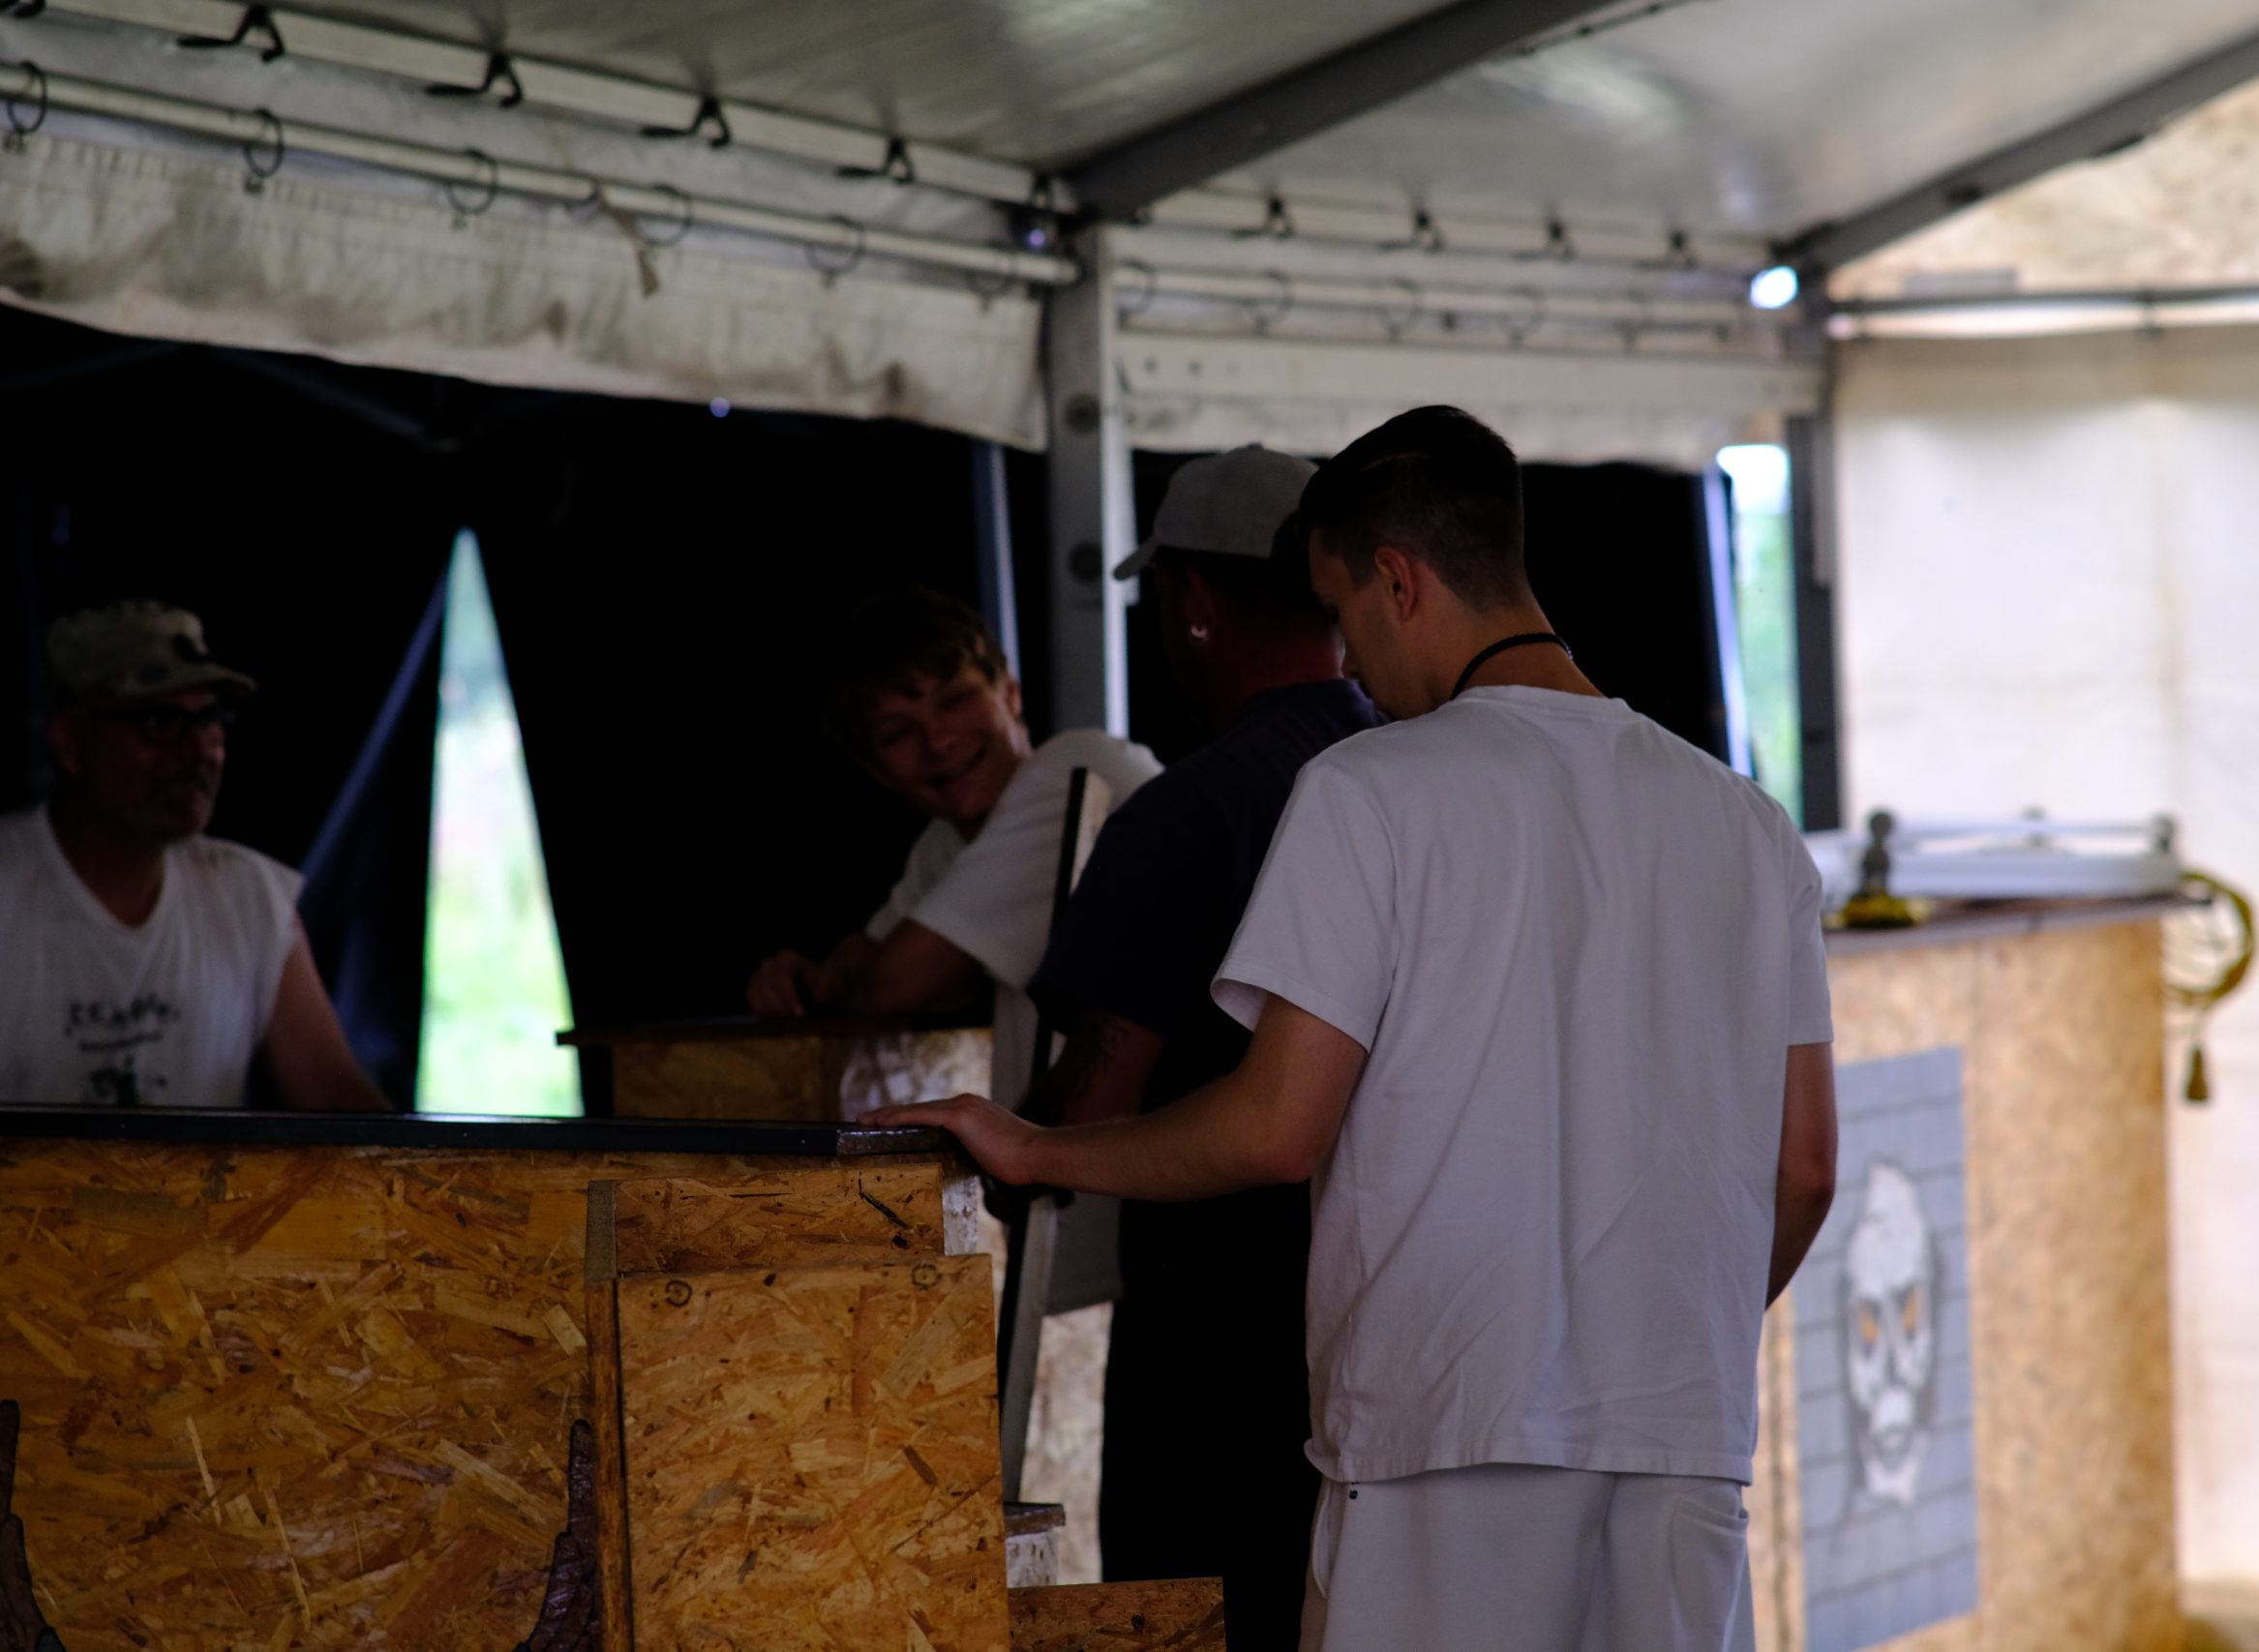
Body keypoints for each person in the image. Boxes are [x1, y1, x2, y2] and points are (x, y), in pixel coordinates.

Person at [880, 406, 1840, 1651]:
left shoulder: (1366, 790)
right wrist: (1661, 1341)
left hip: (1439, 1439)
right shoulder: (1749, 825)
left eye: (1344, 613)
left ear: (1398, 579)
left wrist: (1036, 1147)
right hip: (1680, 1440)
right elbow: (1803, 1170)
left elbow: (1277, 1128)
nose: (1350, 663)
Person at [1022, 446, 1378, 1647]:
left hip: (1217, 1357)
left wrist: (1001, 1145)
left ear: (1191, 604)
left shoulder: (1185, 813)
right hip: (1397, 1339)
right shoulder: (1412, 785)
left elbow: (1089, 1111)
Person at [745, 585, 1160, 1118]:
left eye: (956, 700)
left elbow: (896, 984)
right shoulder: (948, 840)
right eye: (898, 732)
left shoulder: (1077, 770)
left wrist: (870, 979)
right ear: (875, 771)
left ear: (1010, 693)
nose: (938, 741)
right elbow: (865, 956)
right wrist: (806, 981)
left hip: (1152, 1149)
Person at [0, 602, 387, 1111]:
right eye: (160, 722)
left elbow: (343, 1106)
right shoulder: (11, 888)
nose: (199, 751)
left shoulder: (248, 897)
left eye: (209, 721)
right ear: (70, 741)